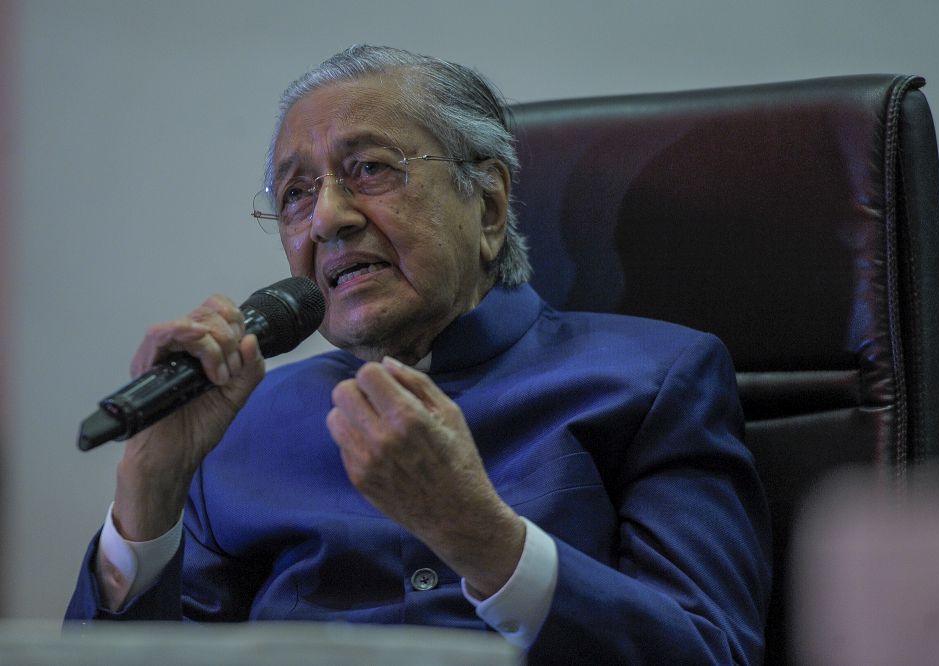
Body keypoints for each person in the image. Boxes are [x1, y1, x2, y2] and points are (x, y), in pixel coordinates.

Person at [66, 45, 771, 664]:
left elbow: (712, 650)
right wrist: (149, 491)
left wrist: (479, 535)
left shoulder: (655, 378)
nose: (328, 218)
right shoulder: (239, 426)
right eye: (295, 193)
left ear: (489, 206)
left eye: (369, 168)